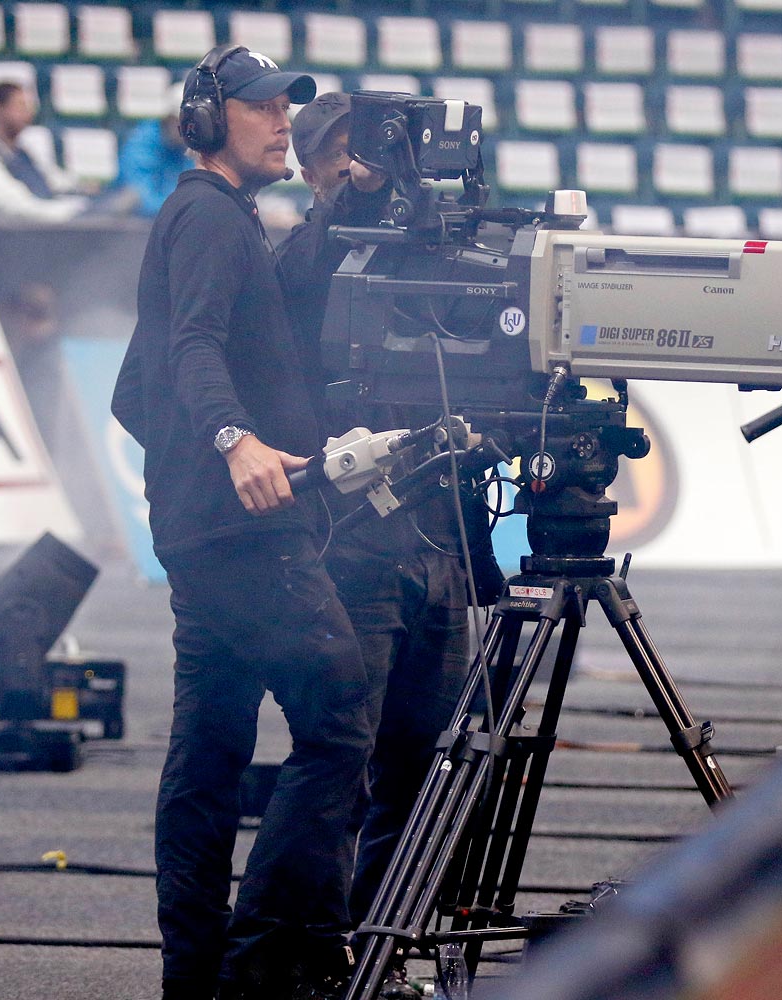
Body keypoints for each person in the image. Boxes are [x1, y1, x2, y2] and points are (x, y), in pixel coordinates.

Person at [110, 47, 371, 1000]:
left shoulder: (209, 219)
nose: (280, 123)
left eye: (284, 109)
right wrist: (232, 444)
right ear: (209, 115)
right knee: (340, 723)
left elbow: (131, 389)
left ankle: (196, 979)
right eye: (261, 108)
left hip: (202, 530)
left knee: (210, 748)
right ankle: (256, 964)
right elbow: (188, 349)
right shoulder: (211, 220)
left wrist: (185, 475)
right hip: (243, 532)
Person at [277, 91, 504, 999]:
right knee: (342, 756)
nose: (356, 168)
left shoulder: (430, 238)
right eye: (337, 156)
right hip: (355, 535)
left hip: (442, 535)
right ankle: (317, 953)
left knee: (424, 762)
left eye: (367, 154)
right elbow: (298, 292)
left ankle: (384, 947)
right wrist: (349, 209)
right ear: (307, 168)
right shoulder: (301, 247)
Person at [0, 81, 87, 223]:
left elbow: (51, 180)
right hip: (12, 240)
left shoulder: (22, 154)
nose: (29, 113)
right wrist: (75, 212)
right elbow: (21, 210)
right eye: (20, 106)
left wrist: (85, 191)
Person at [115, 83, 191, 217]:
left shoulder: (190, 146)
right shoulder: (141, 145)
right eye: (183, 122)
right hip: (138, 228)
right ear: (169, 118)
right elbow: (141, 198)